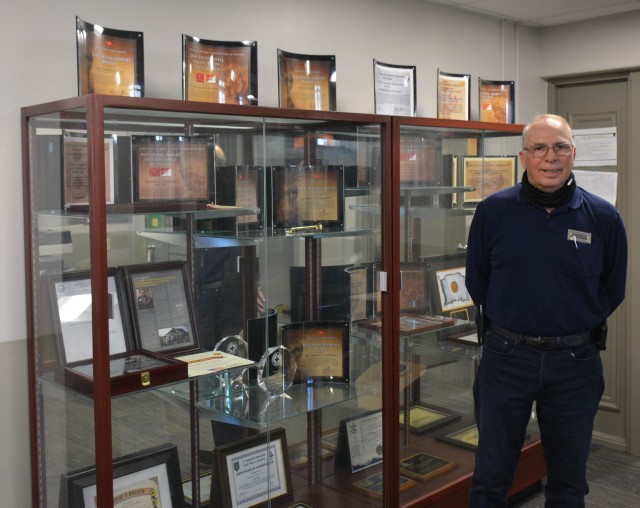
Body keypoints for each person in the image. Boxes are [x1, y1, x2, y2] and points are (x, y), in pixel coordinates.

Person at [465, 114, 627, 507]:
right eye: (539, 148)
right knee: (490, 479)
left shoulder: (603, 217)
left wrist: (568, 321)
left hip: (575, 364)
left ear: (573, 154)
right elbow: (477, 281)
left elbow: (612, 289)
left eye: (560, 147)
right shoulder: (493, 211)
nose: (550, 157)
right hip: (506, 360)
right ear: (524, 157)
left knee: (569, 484)